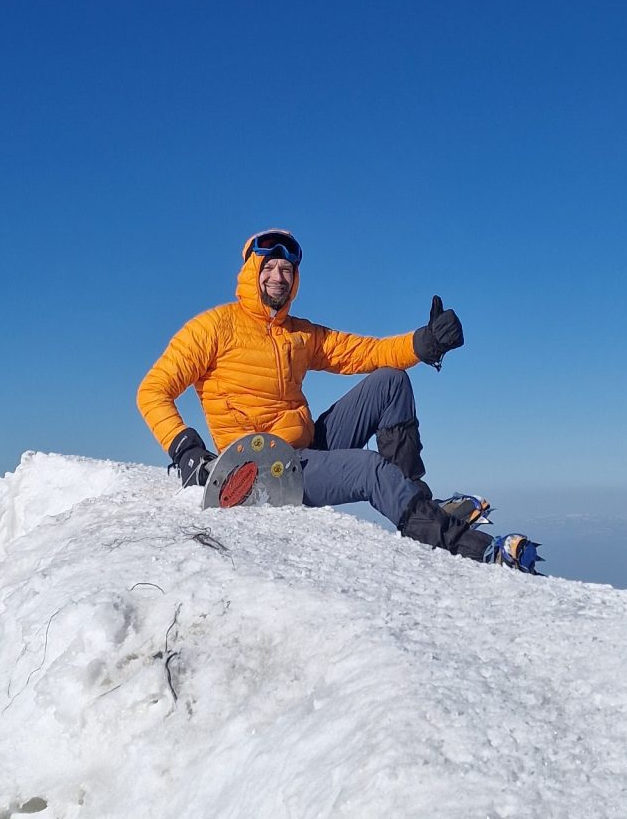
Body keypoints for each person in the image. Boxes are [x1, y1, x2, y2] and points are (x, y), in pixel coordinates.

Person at [136, 228, 537, 566]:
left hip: (305, 445)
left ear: (295, 279)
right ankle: (472, 550)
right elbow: (153, 390)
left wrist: (424, 342)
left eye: (287, 269)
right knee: (370, 469)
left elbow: (364, 352)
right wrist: (185, 448)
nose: (278, 275)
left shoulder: (300, 333)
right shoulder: (213, 328)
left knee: (390, 381)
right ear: (251, 271)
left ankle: (418, 504)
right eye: (269, 267)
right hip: (266, 470)